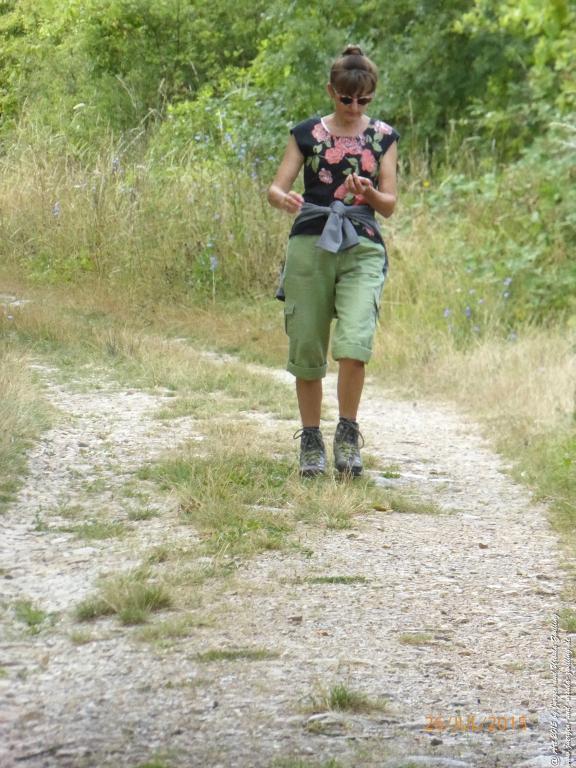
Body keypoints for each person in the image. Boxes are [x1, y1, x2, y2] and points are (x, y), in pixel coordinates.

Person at [267, 44, 399, 478]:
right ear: (331, 91)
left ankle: (347, 435)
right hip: (311, 240)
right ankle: (311, 441)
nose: (355, 107)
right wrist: (284, 199)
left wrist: (369, 193)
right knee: (307, 343)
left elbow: (389, 204)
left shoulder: (384, 137)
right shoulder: (306, 133)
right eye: (346, 99)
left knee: (355, 342)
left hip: (362, 244)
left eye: (364, 100)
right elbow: (276, 188)